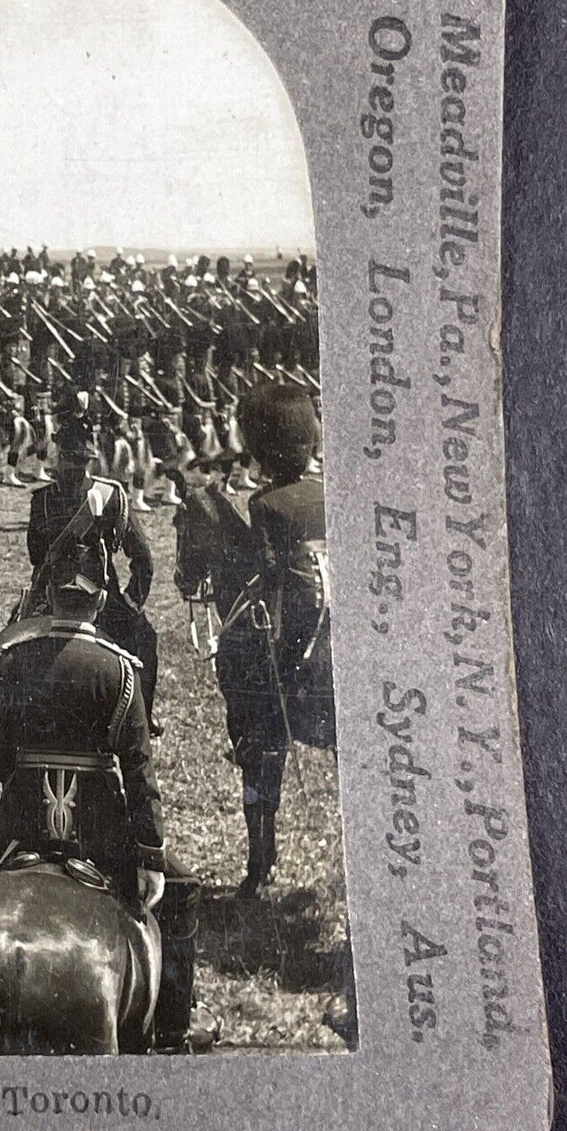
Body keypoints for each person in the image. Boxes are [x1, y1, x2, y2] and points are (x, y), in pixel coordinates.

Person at [0, 565, 206, 1052]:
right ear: (99, 604)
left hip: (22, 823)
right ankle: (176, 1028)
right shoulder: (119, 669)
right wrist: (150, 855)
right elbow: (140, 774)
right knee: (181, 892)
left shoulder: (12, 657)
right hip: (99, 831)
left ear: (50, 597)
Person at [229, 381, 334, 897]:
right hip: (336, 607)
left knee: (265, 687)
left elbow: (267, 572)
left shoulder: (265, 503)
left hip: (298, 614)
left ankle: (270, 724)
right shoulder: (329, 490)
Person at [25, 413, 160, 729]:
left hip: (51, 598)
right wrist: (130, 602)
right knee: (145, 642)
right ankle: (142, 720)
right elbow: (143, 560)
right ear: (89, 461)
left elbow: (35, 556)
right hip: (101, 599)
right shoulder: (111, 495)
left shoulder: (41, 501)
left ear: (60, 459)